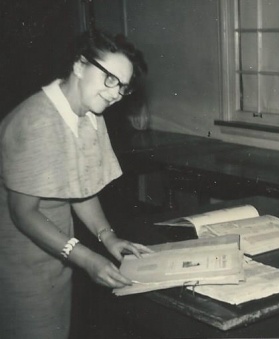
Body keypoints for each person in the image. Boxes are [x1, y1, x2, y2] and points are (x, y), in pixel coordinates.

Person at [0, 29, 153, 338]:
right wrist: (86, 257)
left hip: (56, 251)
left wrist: (108, 238)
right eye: (110, 79)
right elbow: (23, 214)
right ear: (80, 65)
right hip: (18, 260)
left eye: (123, 86)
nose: (115, 93)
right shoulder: (37, 121)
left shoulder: (87, 114)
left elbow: (79, 186)